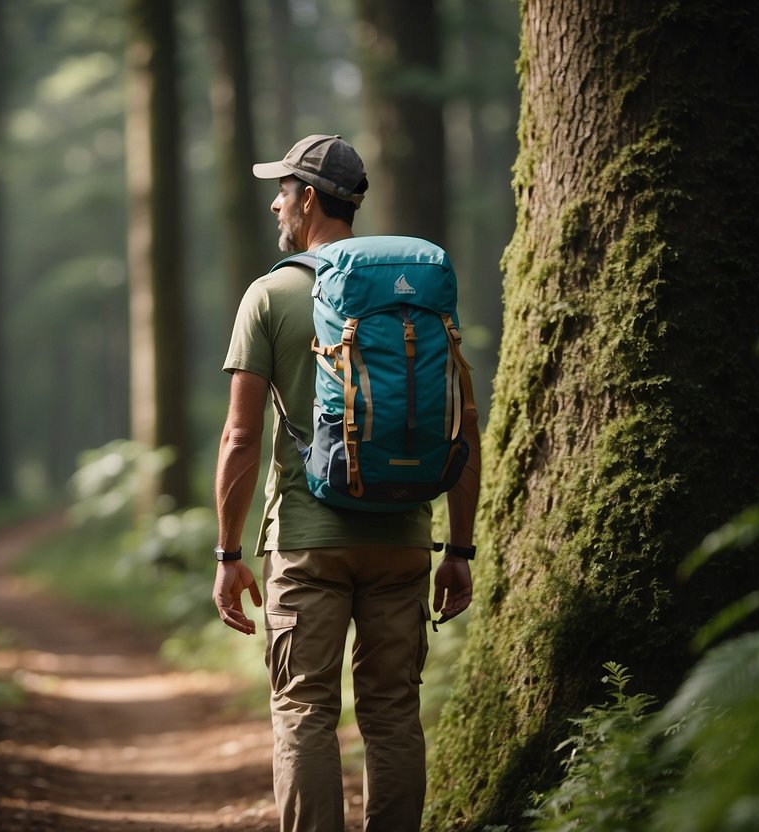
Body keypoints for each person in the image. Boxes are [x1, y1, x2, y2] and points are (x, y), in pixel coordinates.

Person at [211, 134, 481, 832]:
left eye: (282, 190)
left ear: (308, 198)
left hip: (305, 543)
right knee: (393, 713)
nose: (274, 202)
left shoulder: (271, 294)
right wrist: (459, 549)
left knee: (303, 710)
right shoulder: (412, 297)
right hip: (400, 540)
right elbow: (461, 427)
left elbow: (240, 436)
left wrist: (227, 554)